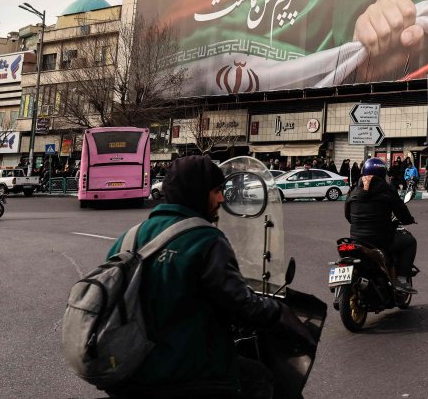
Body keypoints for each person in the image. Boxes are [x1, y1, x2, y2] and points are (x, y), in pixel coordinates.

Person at [105, 156, 313, 397]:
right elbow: (241, 303)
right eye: (216, 191)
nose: (222, 199)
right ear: (197, 193)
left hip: (126, 368)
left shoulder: (128, 238)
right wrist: (281, 314)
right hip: (184, 370)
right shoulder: (206, 239)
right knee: (260, 378)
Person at [344, 158, 418, 293]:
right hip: (380, 239)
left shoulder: (354, 189)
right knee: (410, 242)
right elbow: (402, 212)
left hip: (357, 239)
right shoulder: (387, 190)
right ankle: (401, 279)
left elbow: (347, 215)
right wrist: (408, 220)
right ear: (382, 173)